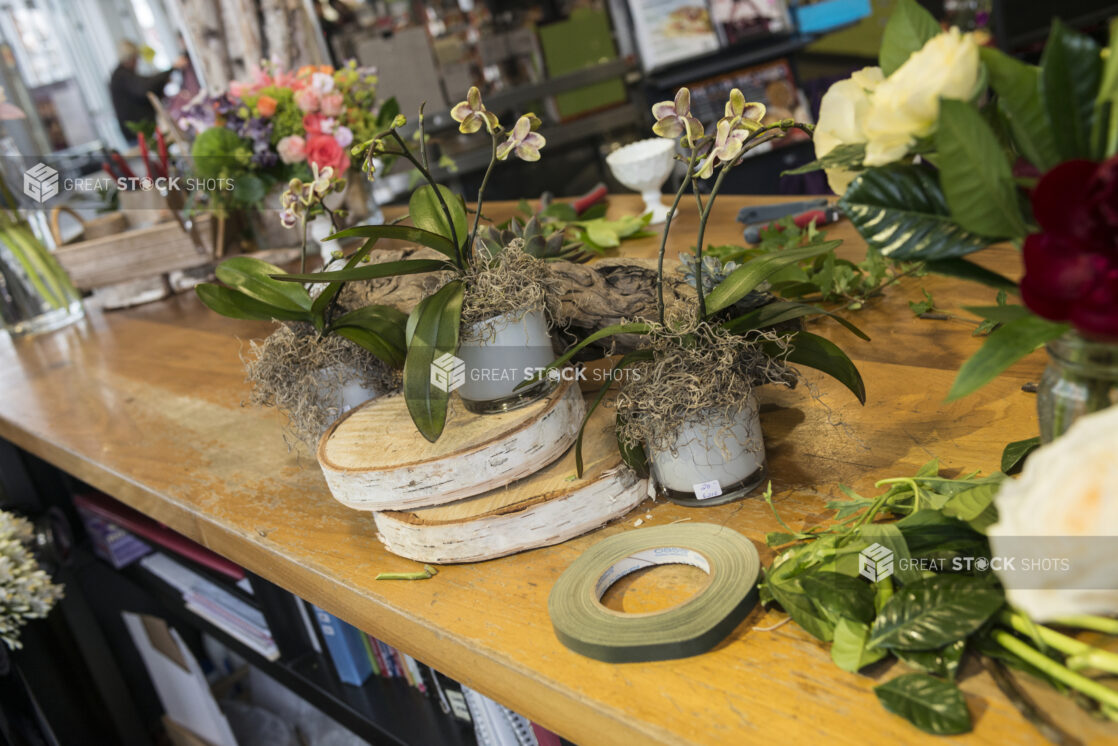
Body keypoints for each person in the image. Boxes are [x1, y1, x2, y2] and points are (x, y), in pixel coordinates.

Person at [109, 40, 186, 142]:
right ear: (130, 58)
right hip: (138, 135)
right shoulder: (122, 75)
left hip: (141, 133)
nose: (137, 62)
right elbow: (145, 87)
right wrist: (172, 69)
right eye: (136, 58)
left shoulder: (124, 74)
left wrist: (164, 80)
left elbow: (147, 84)